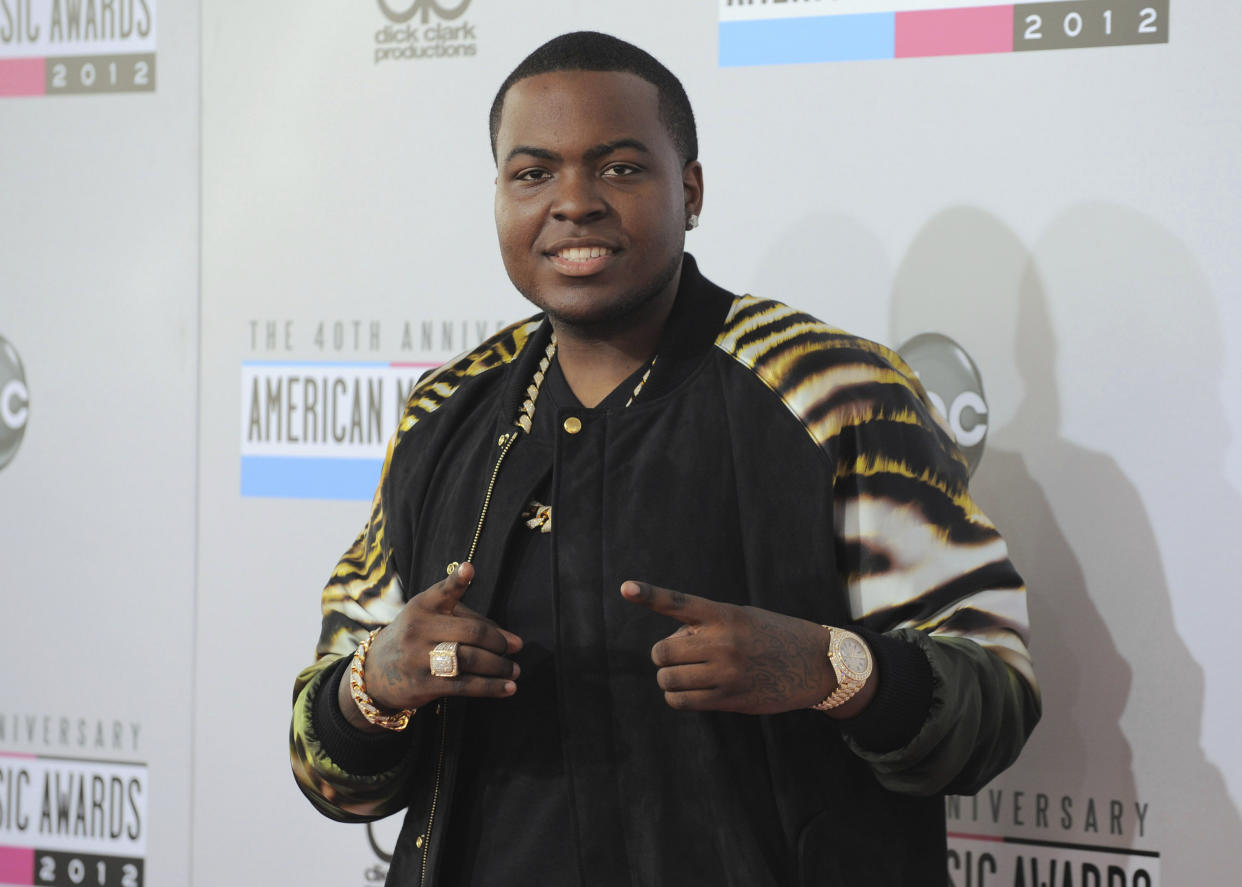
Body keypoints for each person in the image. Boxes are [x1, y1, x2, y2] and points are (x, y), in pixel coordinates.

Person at [290, 31, 1040, 886]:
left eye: (618, 167)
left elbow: (994, 700)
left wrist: (830, 668)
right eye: (532, 173)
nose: (573, 202)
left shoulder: (834, 392)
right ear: (499, 196)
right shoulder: (445, 412)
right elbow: (331, 772)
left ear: (689, 189)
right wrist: (372, 687)